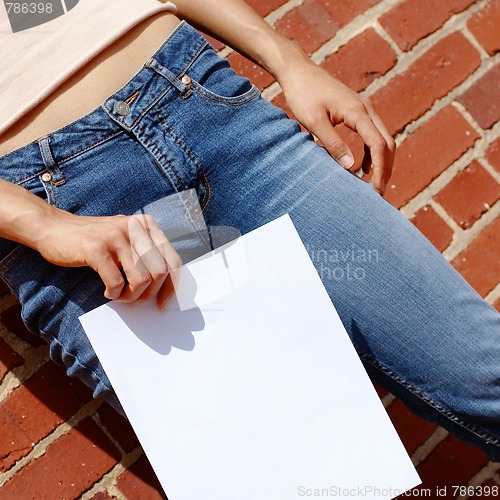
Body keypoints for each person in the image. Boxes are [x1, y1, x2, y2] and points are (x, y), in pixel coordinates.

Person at [1, 0, 499, 465]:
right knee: (303, 478)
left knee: (479, 372)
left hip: (204, 111)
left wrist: (287, 58)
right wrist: (42, 222)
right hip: (76, 216)